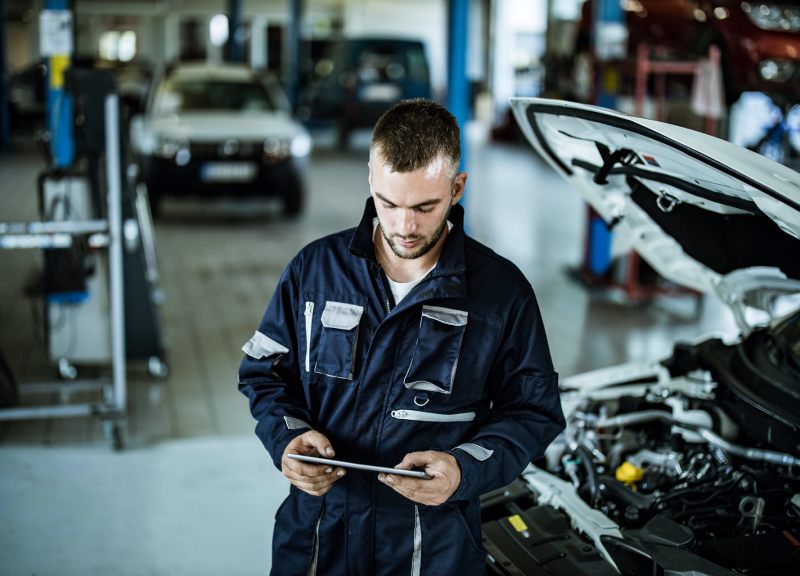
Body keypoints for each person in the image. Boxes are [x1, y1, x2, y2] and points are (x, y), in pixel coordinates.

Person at [238, 99, 565, 576]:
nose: (405, 226)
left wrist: (463, 470)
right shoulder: (314, 271)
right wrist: (287, 441)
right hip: (315, 543)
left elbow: (532, 412)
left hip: (432, 552)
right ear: (371, 179)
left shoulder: (500, 293)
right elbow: (264, 374)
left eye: (424, 206)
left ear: (457, 188)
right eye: (389, 204)